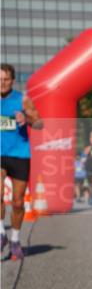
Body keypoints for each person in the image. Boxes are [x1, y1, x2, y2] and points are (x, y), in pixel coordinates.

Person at [1, 63, 43, 261]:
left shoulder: (22, 99)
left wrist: (26, 118)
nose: (2, 83)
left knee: (18, 202)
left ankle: (15, 240)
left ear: (13, 80)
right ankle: (1, 233)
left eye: (6, 79)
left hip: (19, 155)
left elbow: (40, 123)